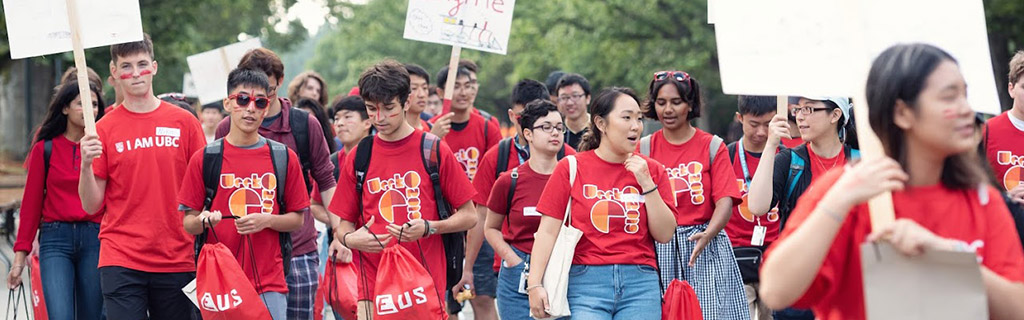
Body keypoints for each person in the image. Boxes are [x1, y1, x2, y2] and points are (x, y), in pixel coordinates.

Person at [760, 43, 1024, 320]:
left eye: (965, 96)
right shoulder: (848, 189)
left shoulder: (982, 200)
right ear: (902, 112)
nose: (966, 110)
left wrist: (949, 256)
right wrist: (837, 203)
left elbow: (1017, 308)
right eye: (949, 97)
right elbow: (776, 291)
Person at [328, 60, 478, 320]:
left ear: (406, 102)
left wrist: (430, 227)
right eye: (371, 109)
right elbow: (342, 225)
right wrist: (352, 240)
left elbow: (470, 215)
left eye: (388, 108)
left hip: (424, 287)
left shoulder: (433, 149)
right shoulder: (360, 155)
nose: (379, 118)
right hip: (372, 290)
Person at [78, 33, 206, 319]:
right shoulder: (103, 129)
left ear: (155, 67)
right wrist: (86, 165)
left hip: (177, 256)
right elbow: (90, 205)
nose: (135, 73)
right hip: (121, 256)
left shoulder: (184, 122)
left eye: (142, 64)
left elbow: (204, 188)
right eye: (126, 66)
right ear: (114, 72)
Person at [527, 87, 677, 319]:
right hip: (585, 283)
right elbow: (547, 232)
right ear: (601, 123)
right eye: (626, 117)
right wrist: (534, 284)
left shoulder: (652, 170)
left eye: (639, 118)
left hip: (641, 283)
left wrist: (647, 183)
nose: (635, 126)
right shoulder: (571, 167)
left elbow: (665, 234)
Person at [214, 48, 336, 320]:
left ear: (279, 82)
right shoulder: (226, 128)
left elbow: (326, 180)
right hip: (246, 252)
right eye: (247, 96)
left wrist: (340, 231)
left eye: (265, 92)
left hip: (298, 248)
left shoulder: (303, 124)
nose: (257, 103)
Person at [179, 68, 309, 319]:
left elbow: (297, 219)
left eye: (259, 102)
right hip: (220, 282)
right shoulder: (205, 158)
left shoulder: (283, 157)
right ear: (228, 103)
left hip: (269, 283)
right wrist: (205, 220)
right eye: (242, 99)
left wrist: (267, 220)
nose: (251, 108)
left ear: (266, 107)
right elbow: (189, 224)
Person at [638, 71, 748, 319]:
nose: (668, 109)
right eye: (661, 102)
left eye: (676, 102)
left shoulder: (712, 146)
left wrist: (710, 233)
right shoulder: (643, 147)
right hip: (660, 245)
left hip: (705, 244)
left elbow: (725, 200)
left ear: (690, 104)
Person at [8, 81, 105, 320]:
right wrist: (20, 258)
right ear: (65, 108)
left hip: (95, 237)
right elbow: (31, 205)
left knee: (91, 316)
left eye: (94, 104)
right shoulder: (45, 148)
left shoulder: (103, 148)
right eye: (81, 104)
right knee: (60, 315)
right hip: (55, 239)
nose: (90, 110)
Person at [483, 99, 566, 320]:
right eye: (546, 127)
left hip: (564, 270)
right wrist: (511, 259)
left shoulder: (574, 176)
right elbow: (490, 228)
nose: (554, 133)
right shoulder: (509, 180)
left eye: (559, 127)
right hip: (518, 274)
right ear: (528, 134)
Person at [432, 60, 502, 319]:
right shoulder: (431, 130)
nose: (463, 92)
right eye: (456, 86)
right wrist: (434, 135)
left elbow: (498, 176)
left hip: (479, 223)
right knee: (445, 302)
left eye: (469, 85)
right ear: (441, 93)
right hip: (443, 223)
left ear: (476, 89)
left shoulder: (487, 128)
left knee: (482, 296)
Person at [724, 95, 782, 320]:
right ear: (740, 118)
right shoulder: (726, 155)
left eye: (768, 124)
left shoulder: (786, 157)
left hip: (775, 256)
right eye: (753, 124)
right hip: (737, 257)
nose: (761, 132)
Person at [984, 50, 1024, 210]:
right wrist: (1005, 197)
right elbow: (968, 185)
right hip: (1001, 224)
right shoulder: (986, 131)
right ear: (1011, 89)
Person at [555, 73, 592, 150]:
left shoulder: (599, 129)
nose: (569, 103)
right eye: (564, 97)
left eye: (575, 96)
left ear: (588, 98)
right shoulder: (555, 132)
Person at [405, 63, 435, 132]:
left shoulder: (432, 128)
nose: (421, 95)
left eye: (424, 88)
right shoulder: (391, 133)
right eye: (414, 88)